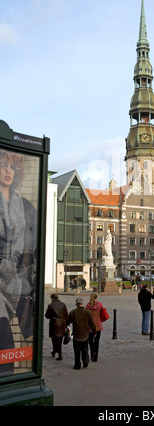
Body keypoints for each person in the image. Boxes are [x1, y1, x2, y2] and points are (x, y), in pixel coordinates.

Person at [0, 150, 37, 376]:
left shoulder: (24, 206)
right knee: (4, 334)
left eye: (12, 167)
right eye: (4, 165)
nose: (8, 171)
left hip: (13, 281)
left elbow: (30, 248)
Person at [67, 297, 96, 370]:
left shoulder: (73, 312)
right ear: (83, 303)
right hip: (85, 334)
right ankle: (85, 361)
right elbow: (92, 324)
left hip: (77, 334)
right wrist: (94, 331)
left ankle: (77, 365)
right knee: (85, 349)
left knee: (77, 350)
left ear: (76, 304)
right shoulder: (87, 312)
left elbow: (67, 321)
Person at [45, 293, 68, 360]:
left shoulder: (51, 305)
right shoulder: (63, 304)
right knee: (59, 339)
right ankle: (55, 351)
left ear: (52, 298)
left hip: (54, 324)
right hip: (62, 324)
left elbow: (47, 316)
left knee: (54, 339)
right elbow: (66, 314)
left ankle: (59, 353)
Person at [86, 293, 103, 362]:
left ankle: (92, 353)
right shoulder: (99, 305)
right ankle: (95, 356)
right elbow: (102, 313)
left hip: (90, 325)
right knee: (97, 341)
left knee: (90, 341)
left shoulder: (87, 305)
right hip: (98, 324)